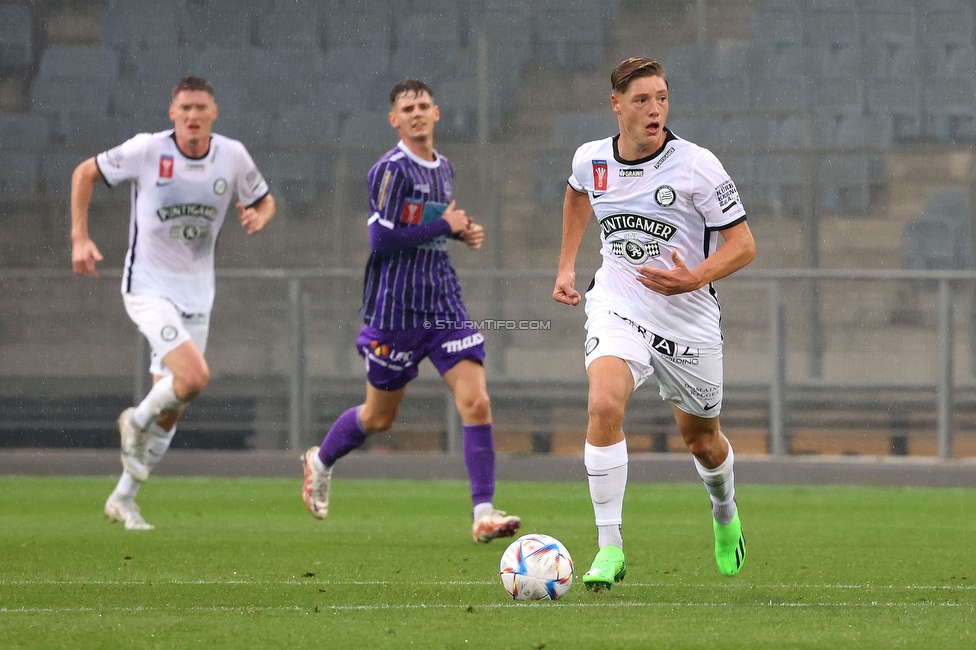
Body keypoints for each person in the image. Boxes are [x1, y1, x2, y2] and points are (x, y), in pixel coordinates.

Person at [552, 58, 756, 589]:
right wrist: (567, 265)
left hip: (688, 321)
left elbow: (744, 245)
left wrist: (696, 278)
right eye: (642, 100)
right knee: (603, 404)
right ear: (616, 104)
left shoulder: (697, 166)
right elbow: (577, 192)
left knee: (702, 441)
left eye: (662, 98)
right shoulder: (592, 159)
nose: (655, 109)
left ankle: (724, 511)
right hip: (619, 304)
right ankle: (609, 547)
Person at [300, 79, 521, 544]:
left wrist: (459, 233)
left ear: (436, 113)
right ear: (394, 120)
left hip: (442, 302)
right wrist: (445, 223)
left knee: (477, 401)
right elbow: (381, 238)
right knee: (378, 418)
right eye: (407, 108)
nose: (417, 113)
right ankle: (320, 461)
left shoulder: (445, 168)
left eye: (423, 105)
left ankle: (483, 511)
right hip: (395, 311)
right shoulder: (389, 170)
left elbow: (425, 228)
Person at [70, 76, 276, 530]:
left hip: (198, 290)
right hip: (147, 286)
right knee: (194, 377)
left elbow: (265, 201)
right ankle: (134, 419)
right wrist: (79, 237)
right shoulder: (148, 150)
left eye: (201, 107)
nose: (193, 116)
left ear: (214, 112)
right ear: (172, 113)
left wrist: (258, 217)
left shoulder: (233, 156)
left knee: (176, 405)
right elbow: (84, 172)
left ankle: (123, 498)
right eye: (185, 108)